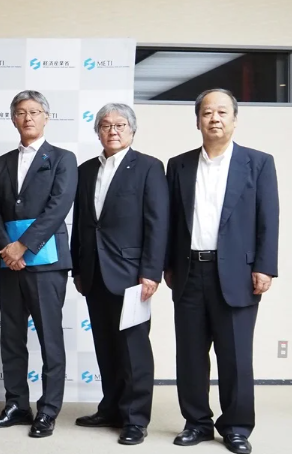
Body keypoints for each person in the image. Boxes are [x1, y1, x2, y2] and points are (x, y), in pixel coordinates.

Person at [165, 89, 278, 454]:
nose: (214, 118)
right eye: (207, 113)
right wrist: (167, 264)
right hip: (189, 272)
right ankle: (196, 422)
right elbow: (170, 221)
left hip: (238, 275)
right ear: (198, 120)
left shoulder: (258, 163)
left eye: (222, 112)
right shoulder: (178, 165)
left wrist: (265, 267)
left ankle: (236, 427)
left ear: (235, 119)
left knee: (236, 357)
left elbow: (269, 219)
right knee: (190, 355)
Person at [70, 103, 168, 446]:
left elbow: (157, 223)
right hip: (94, 273)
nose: (112, 130)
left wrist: (151, 272)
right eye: (106, 125)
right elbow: (81, 223)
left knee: (133, 349)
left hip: (132, 274)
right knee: (106, 345)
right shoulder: (85, 170)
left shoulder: (149, 167)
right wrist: (77, 267)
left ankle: (135, 419)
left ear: (132, 130)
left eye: (120, 125)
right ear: (97, 131)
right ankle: (110, 408)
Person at [0, 90, 77, 438]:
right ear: (13, 119)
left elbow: (58, 207)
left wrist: (23, 246)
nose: (28, 118)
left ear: (46, 117)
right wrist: (7, 249)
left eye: (35, 112)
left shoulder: (63, 158)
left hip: (46, 263)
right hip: (9, 262)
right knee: (11, 337)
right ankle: (16, 405)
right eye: (21, 112)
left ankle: (48, 410)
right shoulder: (1, 162)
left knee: (50, 338)